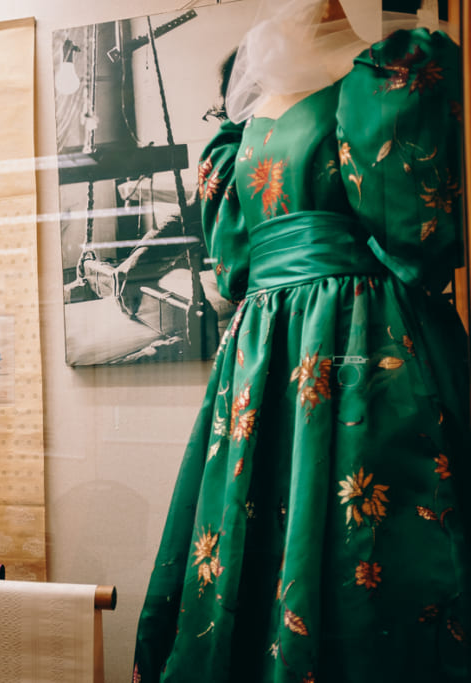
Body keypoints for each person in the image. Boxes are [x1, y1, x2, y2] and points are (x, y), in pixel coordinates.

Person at [133, 1, 471, 681]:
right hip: (267, 347)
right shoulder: (246, 114)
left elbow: (417, 236)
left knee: (368, 544)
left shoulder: (384, 73)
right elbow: (233, 263)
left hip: (362, 344)